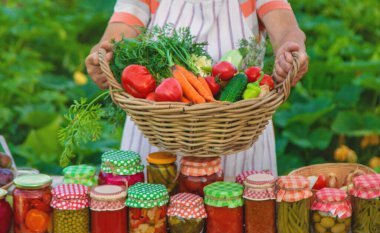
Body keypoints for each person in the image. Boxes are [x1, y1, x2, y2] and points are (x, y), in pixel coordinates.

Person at [85, 0, 308, 179]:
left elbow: (287, 29)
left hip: (240, 132)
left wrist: (289, 51)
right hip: (158, 133)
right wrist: (102, 55)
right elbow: (118, 32)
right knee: (151, 217)